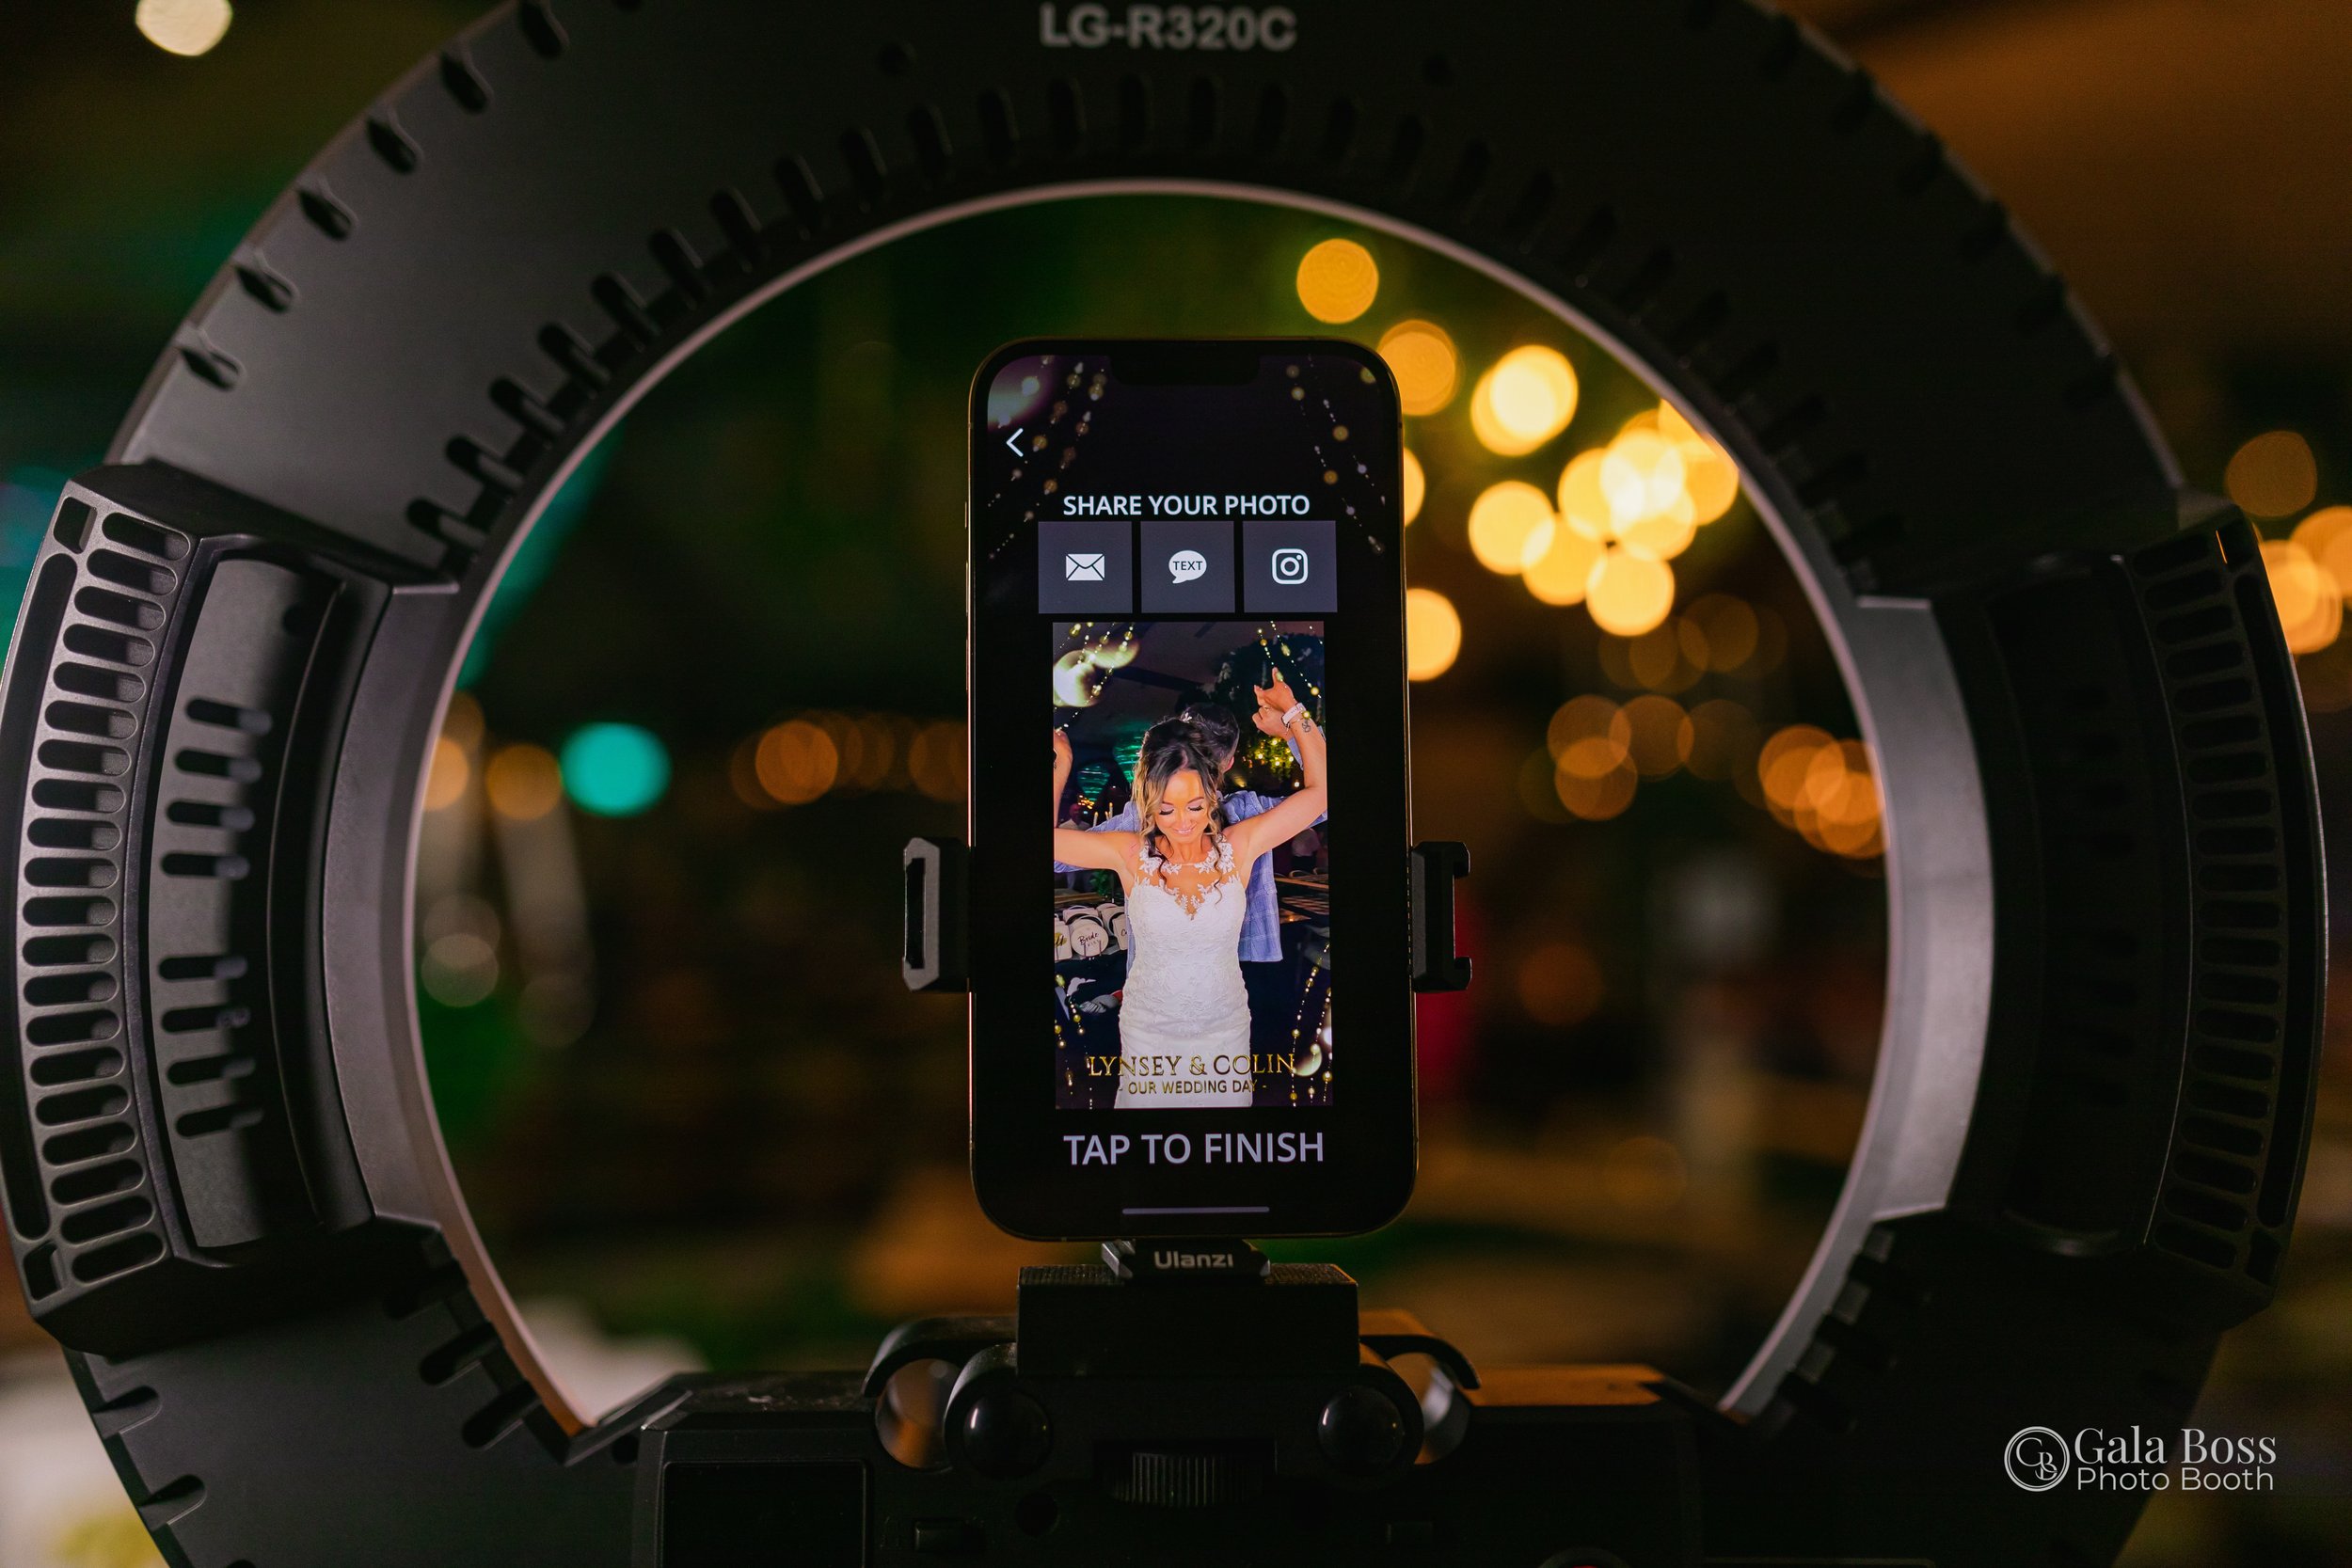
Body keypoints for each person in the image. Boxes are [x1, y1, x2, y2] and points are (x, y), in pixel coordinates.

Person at [1052, 674, 1327, 1108]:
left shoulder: (1240, 845)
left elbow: (1323, 794)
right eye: (1166, 810)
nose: (1182, 822)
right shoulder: (1130, 851)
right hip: (1148, 1037)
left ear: (1213, 793)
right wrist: (1061, 768)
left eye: (1196, 806)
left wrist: (1294, 713)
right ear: (1149, 803)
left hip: (1224, 1035)